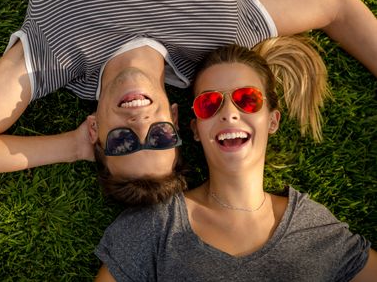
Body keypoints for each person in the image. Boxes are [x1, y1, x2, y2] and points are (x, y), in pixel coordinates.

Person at [0, 0, 377, 205]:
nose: (140, 122)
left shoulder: (56, 56)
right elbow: (337, 4)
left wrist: (71, 147)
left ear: (95, 130)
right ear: (178, 122)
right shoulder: (218, 38)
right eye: (160, 137)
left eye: (123, 141)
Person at [94, 41, 377, 281]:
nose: (229, 112)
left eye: (248, 99)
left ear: (272, 120)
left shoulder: (313, 229)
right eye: (210, 103)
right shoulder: (155, 224)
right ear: (194, 129)